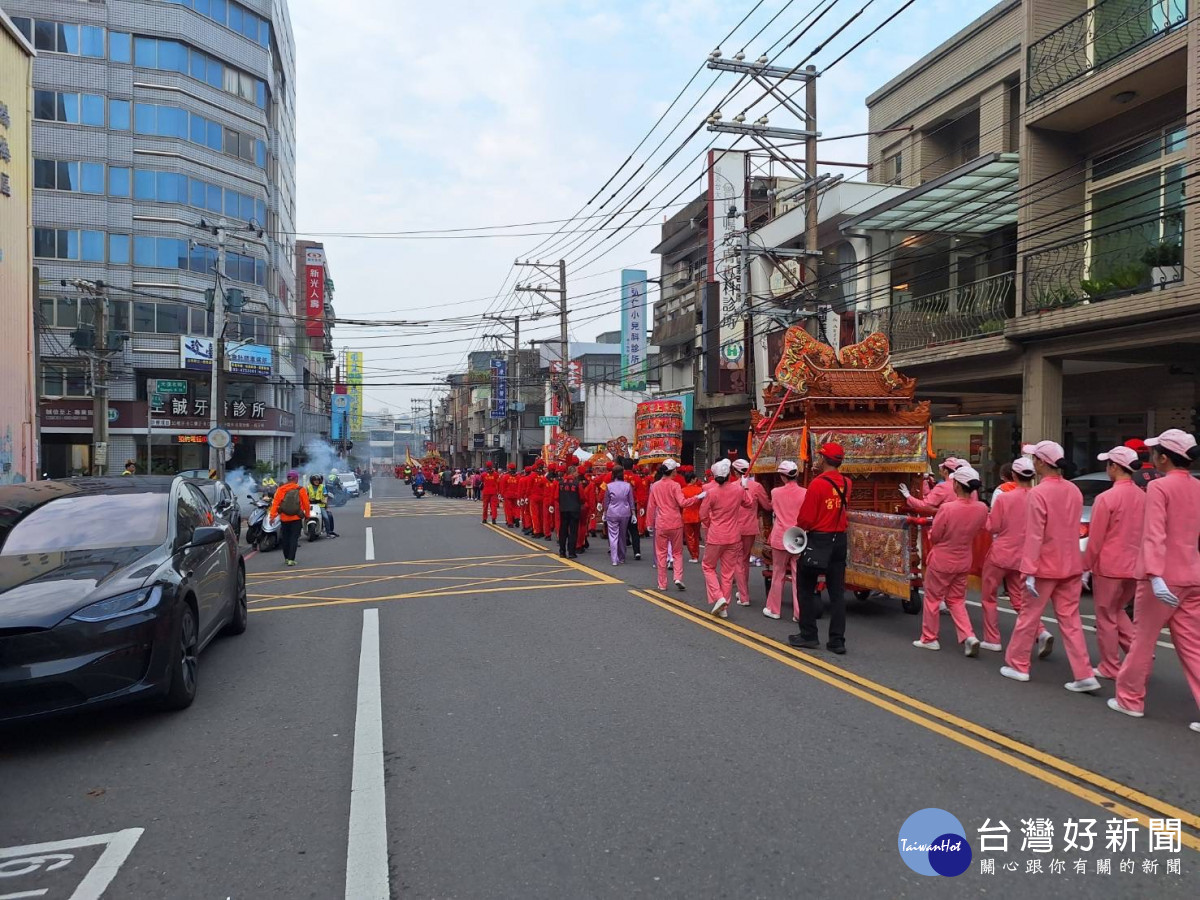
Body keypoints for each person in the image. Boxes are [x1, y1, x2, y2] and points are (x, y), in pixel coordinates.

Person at [1110, 429, 1200, 731]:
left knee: (1142, 640)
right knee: (1192, 646)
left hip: (1161, 576)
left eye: (1154, 452)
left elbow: (1154, 533)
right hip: (1192, 574)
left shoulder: (1159, 488)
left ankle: (1130, 699)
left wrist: (1154, 574)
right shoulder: (1198, 487)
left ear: (1163, 458)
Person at [1001, 441, 1099, 692]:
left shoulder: (1039, 493)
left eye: (1035, 458)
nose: (1032, 462)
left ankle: (1019, 664)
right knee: (1071, 621)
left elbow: (1035, 535)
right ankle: (1084, 673)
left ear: (1042, 463)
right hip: (1070, 564)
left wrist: (1029, 570)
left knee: (1029, 616)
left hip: (1043, 566)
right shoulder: (1074, 491)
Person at [1081, 446, 1144, 680]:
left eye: (1108, 464)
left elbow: (1095, 539)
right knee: (1119, 611)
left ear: (1114, 467)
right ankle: (1139, 654)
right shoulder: (1143, 496)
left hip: (1109, 566)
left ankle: (1110, 665)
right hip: (1136, 565)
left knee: (1106, 616)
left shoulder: (1106, 497)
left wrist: (1085, 567)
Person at [913, 465, 989, 655]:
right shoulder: (981, 508)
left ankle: (930, 637)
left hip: (942, 559)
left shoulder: (947, 508)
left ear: (956, 485)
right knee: (956, 600)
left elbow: (936, 535)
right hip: (964, 559)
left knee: (932, 599)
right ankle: (968, 635)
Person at [788, 442, 852, 654]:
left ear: (824, 460)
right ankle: (837, 640)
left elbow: (806, 518)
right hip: (839, 540)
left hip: (818, 540)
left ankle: (808, 635)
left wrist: (799, 531)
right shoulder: (847, 483)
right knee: (837, 593)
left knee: (805, 587)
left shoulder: (817, 484)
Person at [979, 457, 1042, 652]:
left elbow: (993, 526)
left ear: (1013, 475)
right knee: (1018, 597)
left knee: (989, 596)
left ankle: (993, 638)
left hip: (1001, 552)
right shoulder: (1039, 497)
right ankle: (1040, 630)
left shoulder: (1005, 497)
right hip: (1023, 554)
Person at [700, 459, 753, 617]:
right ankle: (724, 607)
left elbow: (703, 515)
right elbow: (749, 503)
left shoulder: (711, 492)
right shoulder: (738, 490)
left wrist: (711, 523)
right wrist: (745, 486)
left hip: (716, 535)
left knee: (708, 567)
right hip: (734, 535)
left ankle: (719, 597)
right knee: (728, 573)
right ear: (730, 474)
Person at [646, 460, 705, 591]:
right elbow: (683, 503)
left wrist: (649, 523)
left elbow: (651, 506)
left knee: (661, 553)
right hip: (675, 522)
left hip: (661, 523)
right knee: (677, 552)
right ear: (673, 471)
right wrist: (697, 497)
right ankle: (678, 577)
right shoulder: (675, 485)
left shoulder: (655, 486)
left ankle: (662, 583)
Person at [764, 461, 806, 621]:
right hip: (797, 536)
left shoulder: (775, 492)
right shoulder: (805, 492)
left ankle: (774, 609)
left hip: (780, 536)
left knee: (778, 573)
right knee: (798, 576)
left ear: (783, 476)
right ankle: (799, 613)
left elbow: (772, 508)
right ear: (796, 475)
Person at [731, 457, 772, 606]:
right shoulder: (757, 486)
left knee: (738, 561)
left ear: (735, 472)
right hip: (750, 527)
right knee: (744, 560)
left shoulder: (732, 487)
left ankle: (744, 595)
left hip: (735, 528)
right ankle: (743, 591)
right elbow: (767, 506)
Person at [269, 470, 311, 567]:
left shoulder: (281, 489)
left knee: (285, 539)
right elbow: (306, 504)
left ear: (287, 479)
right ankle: (291, 559)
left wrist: (272, 516)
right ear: (296, 479)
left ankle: (286, 558)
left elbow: (275, 503)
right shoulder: (300, 489)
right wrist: (307, 516)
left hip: (284, 518)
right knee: (293, 539)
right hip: (296, 518)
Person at [602, 465, 635, 566]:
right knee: (622, 535)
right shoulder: (627, 485)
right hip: (625, 512)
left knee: (613, 536)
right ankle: (622, 557)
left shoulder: (609, 486)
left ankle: (614, 558)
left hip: (612, 512)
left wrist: (604, 512)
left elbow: (606, 501)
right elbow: (631, 501)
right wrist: (633, 513)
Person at [556, 466, 583, 558]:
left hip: (563, 509)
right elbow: (582, 497)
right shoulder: (577, 483)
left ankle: (562, 551)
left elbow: (556, 496)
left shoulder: (560, 483)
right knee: (573, 531)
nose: (577, 474)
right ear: (573, 473)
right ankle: (571, 552)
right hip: (574, 509)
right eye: (576, 472)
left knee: (563, 530)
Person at [680, 469, 704, 564]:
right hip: (697, 516)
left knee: (689, 537)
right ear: (693, 479)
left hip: (687, 516)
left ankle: (693, 556)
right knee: (697, 536)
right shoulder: (700, 490)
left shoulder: (682, 490)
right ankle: (696, 554)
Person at [502, 462, 521, 527]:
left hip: (508, 495)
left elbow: (503, 487)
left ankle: (510, 522)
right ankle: (517, 517)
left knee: (508, 509)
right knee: (516, 507)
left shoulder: (505, 477)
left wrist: (502, 495)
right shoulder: (518, 477)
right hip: (516, 494)